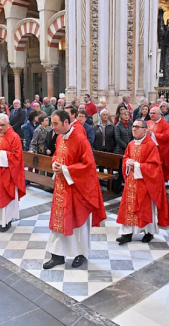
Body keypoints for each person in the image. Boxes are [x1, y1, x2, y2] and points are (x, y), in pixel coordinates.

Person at [43, 110, 107, 270]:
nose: (53, 127)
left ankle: (81, 253)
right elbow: (57, 155)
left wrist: (65, 169)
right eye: (52, 123)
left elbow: (89, 165)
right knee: (59, 221)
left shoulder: (80, 139)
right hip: (61, 188)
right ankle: (57, 255)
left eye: (56, 123)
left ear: (66, 122)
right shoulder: (59, 138)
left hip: (77, 189)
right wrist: (55, 164)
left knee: (78, 223)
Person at [116, 119, 169, 245]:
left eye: (137, 127)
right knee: (128, 208)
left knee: (144, 208)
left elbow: (155, 167)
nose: (133, 129)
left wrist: (138, 165)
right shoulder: (131, 144)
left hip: (145, 183)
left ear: (145, 129)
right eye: (133, 126)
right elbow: (126, 158)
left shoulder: (151, 145)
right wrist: (128, 163)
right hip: (131, 182)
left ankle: (148, 232)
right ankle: (127, 233)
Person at [147, 107, 169, 182]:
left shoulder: (165, 124)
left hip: (160, 151)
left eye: (154, 113)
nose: (151, 115)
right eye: (150, 113)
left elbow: (166, 137)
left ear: (159, 114)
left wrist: (152, 134)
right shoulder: (148, 122)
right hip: (148, 150)